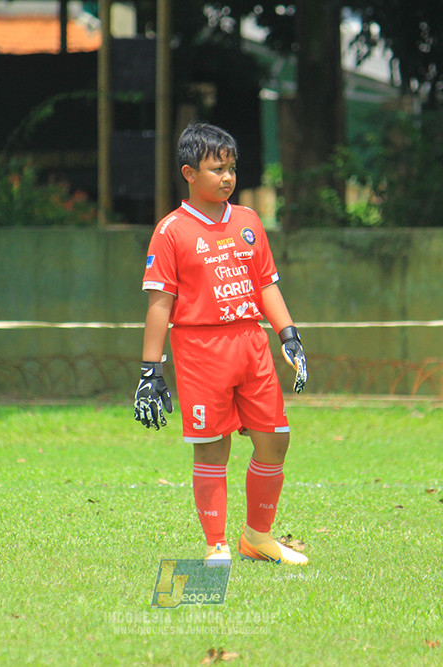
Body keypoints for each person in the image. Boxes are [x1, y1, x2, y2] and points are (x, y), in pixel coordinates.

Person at [134, 122, 309, 566]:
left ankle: (258, 536)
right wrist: (149, 370)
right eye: (217, 169)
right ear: (189, 173)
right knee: (213, 447)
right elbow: (160, 303)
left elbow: (266, 285)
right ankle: (217, 544)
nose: (228, 178)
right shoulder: (171, 230)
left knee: (275, 439)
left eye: (231, 168)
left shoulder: (249, 222)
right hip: (200, 351)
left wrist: (288, 335)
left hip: (252, 344)